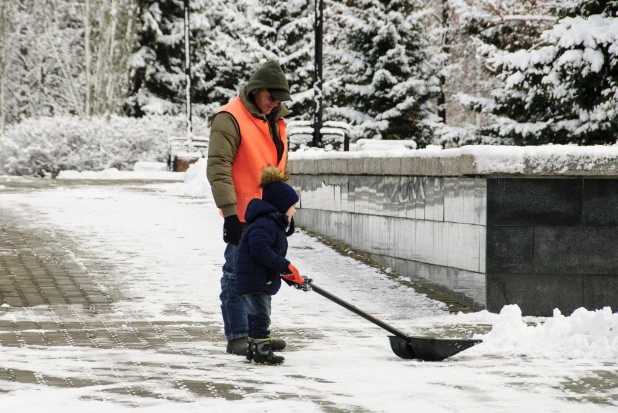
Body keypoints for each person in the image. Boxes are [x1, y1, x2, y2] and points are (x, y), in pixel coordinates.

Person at [207, 60, 294, 356]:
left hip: (266, 214)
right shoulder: (229, 118)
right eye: (271, 98)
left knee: (260, 275)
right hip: (242, 212)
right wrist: (230, 213)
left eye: (279, 100)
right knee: (235, 274)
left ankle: (258, 335)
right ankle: (238, 335)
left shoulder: (276, 120)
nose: (275, 104)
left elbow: (279, 169)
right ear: (256, 91)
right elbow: (219, 168)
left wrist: (285, 210)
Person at [235, 166, 304, 365]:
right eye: (293, 205)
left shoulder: (271, 223)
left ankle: (254, 347)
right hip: (256, 280)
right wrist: (284, 265)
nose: (295, 209)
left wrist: (290, 275)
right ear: (281, 205)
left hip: (258, 279)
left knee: (258, 316)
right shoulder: (265, 224)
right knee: (260, 317)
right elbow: (260, 249)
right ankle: (262, 352)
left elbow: (271, 257)